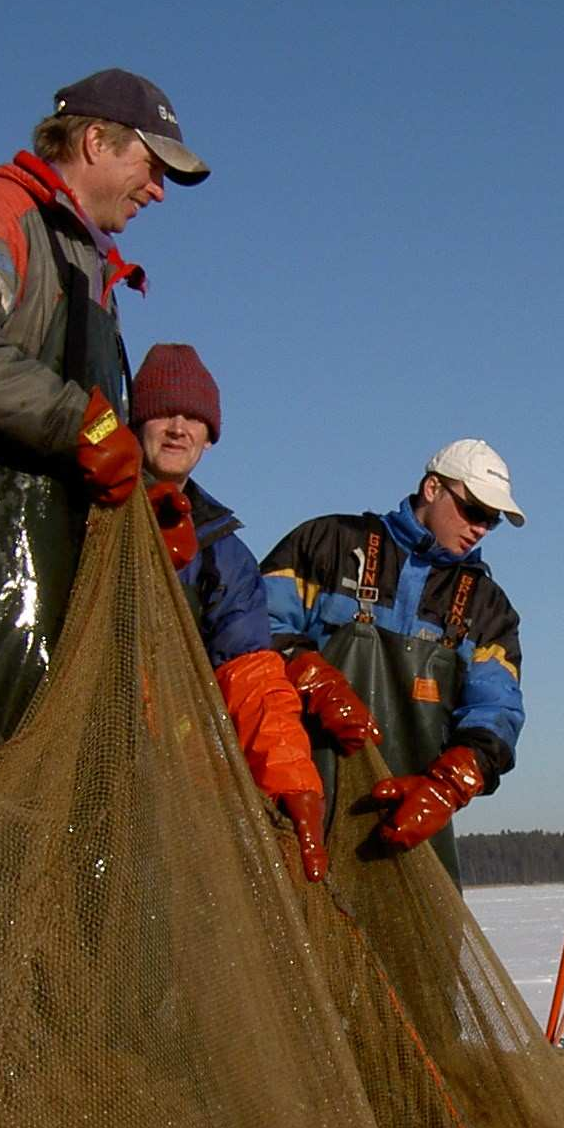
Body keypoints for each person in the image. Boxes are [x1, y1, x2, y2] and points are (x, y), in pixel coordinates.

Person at [0, 68, 207, 767]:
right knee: (8, 770)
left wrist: (138, 492)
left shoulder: (89, 261)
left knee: (86, 775)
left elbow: (94, 431)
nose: (156, 190)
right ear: (96, 141)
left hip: (66, 559)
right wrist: (84, 426)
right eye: (151, 168)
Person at [262, 440, 526, 881]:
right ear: (432, 488)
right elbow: (253, 630)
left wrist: (451, 783)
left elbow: (497, 710)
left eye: (491, 521)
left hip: (406, 834)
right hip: (293, 810)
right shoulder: (327, 544)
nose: (480, 528)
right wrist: (309, 675)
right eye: (473, 510)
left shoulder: (487, 608)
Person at [130, 344, 326, 882]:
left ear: (210, 436)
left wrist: (294, 782)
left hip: (173, 781)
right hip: (87, 765)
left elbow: (253, 677)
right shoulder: (87, 508)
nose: (178, 427)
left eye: (193, 417)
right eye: (165, 412)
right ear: (138, 419)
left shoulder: (225, 554)